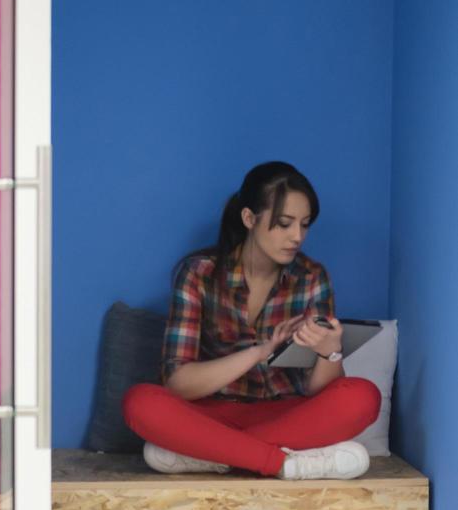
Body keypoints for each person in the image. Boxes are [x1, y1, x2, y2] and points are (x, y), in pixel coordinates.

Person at [123, 161, 381, 479]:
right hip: (210, 414)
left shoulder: (312, 277)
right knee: (141, 403)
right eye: (284, 223)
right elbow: (178, 384)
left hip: (285, 415)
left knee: (363, 396)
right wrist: (259, 353)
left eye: (305, 224)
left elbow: (319, 390)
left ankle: (212, 455)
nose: (297, 236)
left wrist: (331, 352)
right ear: (249, 218)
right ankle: (284, 464)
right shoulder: (199, 274)